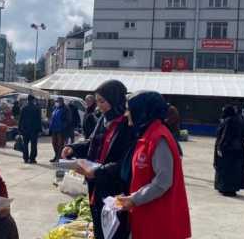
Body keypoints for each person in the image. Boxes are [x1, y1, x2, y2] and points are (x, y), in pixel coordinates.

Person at [116, 91, 191, 239]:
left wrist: (134, 199)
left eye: (129, 109)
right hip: (145, 215)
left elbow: (163, 181)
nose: (126, 114)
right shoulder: (146, 135)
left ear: (142, 111)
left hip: (158, 220)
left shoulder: (159, 138)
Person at [62, 80, 132, 239]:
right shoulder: (103, 119)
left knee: (116, 230)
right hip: (97, 185)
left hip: (117, 189)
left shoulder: (128, 124)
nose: (98, 106)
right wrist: (73, 148)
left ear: (115, 100)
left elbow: (126, 162)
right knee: (100, 227)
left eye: (102, 101)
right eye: (97, 101)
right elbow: (93, 143)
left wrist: (98, 171)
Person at [214, 106, 244, 197]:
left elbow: (225, 135)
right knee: (234, 171)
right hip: (237, 150)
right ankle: (231, 189)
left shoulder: (229, 121)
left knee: (226, 170)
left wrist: (220, 147)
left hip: (228, 150)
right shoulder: (238, 120)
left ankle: (226, 189)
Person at [18, 95, 42, 164]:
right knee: (33, 145)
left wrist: (19, 129)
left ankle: (25, 158)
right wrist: (40, 130)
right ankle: (32, 159)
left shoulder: (24, 108)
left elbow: (20, 119)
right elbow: (39, 120)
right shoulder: (37, 108)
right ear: (33, 100)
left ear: (27, 100)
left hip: (25, 129)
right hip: (34, 130)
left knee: (25, 144)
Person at [48, 98, 71, 163]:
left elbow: (68, 120)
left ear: (62, 102)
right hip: (54, 129)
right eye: (56, 101)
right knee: (54, 143)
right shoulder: (55, 108)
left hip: (61, 130)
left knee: (60, 144)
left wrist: (63, 126)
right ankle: (56, 156)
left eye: (58, 101)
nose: (56, 103)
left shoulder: (66, 109)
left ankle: (59, 157)